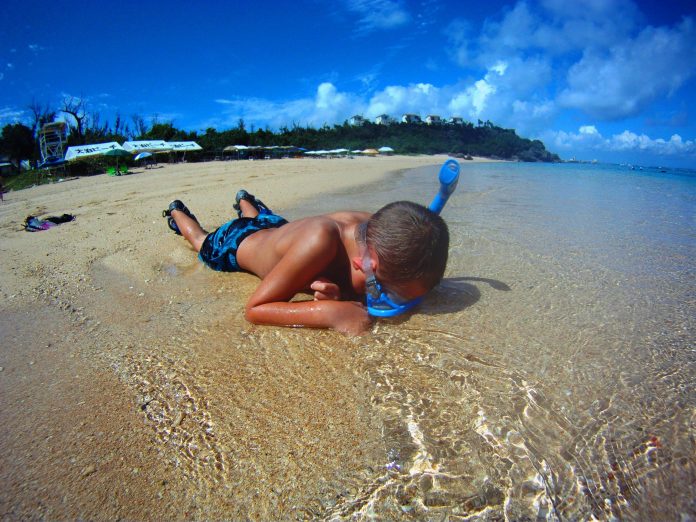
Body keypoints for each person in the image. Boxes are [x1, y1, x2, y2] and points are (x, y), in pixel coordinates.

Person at [163, 190, 449, 334]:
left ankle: (246, 202)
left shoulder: (376, 226)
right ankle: (177, 213)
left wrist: (338, 293)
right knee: (202, 241)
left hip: (277, 227)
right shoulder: (319, 241)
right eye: (390, 294)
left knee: (262, 219)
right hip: (235, 242)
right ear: (365, 265)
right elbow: (255, 309)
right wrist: (328, 313)